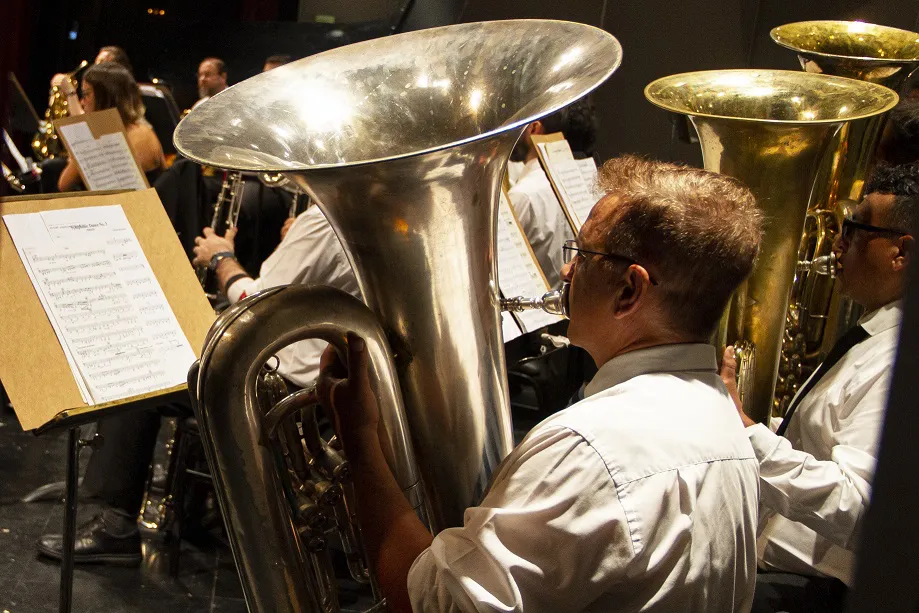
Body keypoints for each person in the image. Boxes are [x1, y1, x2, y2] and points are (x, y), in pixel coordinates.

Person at [317, 155, 764, 612]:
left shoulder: (587, 450)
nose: (567, 271)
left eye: (584, 255)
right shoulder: (725, 419)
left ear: (630, 290)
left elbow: (432, 603)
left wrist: (360, 441)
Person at [36, 204, 359, 565]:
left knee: (145, 372)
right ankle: (190, 506)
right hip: (313, 382)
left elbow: (257, 305)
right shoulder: (363, 213)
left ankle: (116, 524)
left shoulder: (326, 218)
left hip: (279, 382)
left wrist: (220, 257)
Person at [720, 162, 919, 613]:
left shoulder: (895, 361)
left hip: (806, 594)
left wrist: (745, 430)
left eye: (855, 228)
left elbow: (860, 506)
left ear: (901, 253)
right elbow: (828, 437)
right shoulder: (875, 335)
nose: (837, 241)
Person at [57, 62, 165, 192]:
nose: (82, 102)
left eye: (86, 95)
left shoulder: (102, 138)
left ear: (105, 98)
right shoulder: (146, 131)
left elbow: (63, 184)